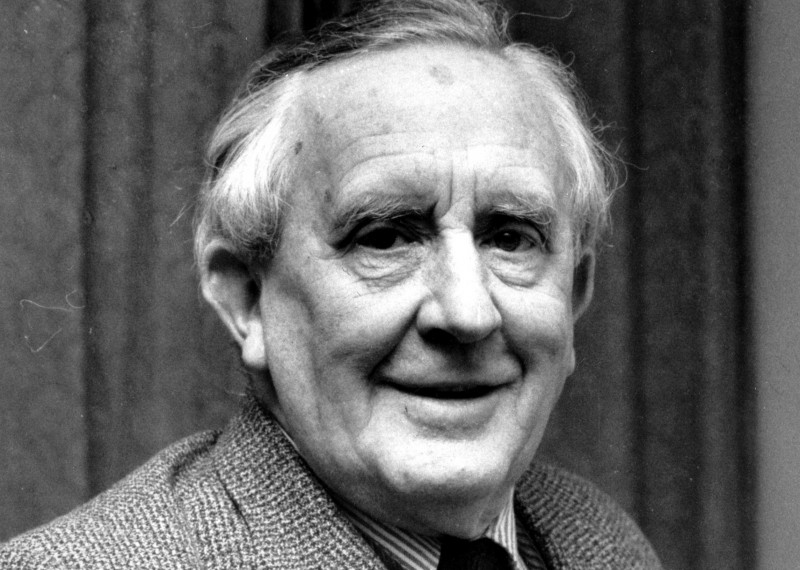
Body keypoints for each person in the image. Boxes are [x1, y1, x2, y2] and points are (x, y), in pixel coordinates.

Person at [0, 0, 663, 568]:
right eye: (385, 237)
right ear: (247, 299)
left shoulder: (602, 543)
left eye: (511, 238)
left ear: (574, 294)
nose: (468, 313)